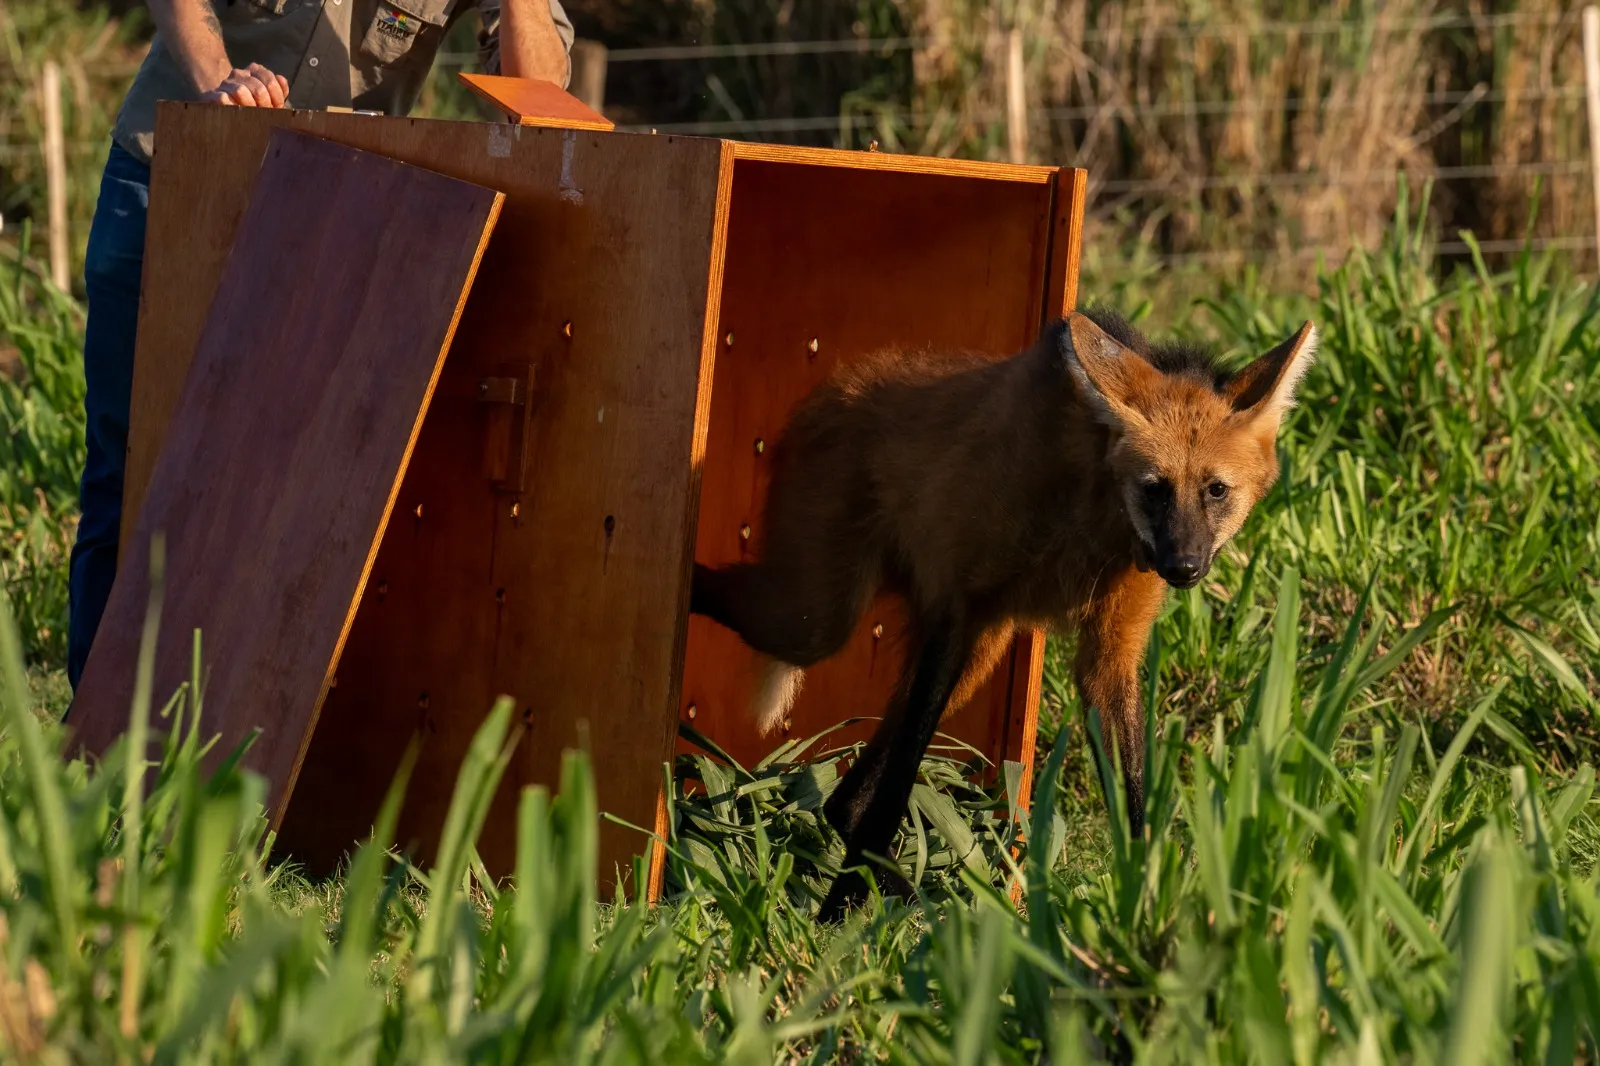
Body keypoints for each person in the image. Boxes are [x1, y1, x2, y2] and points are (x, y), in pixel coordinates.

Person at [66, 0, 575, 690]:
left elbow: (538, 105)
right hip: (171, 172)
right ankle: (94, 731)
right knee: (130, 458)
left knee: (286, 482)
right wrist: (221, 82)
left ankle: (235, 726)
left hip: (332, 208)